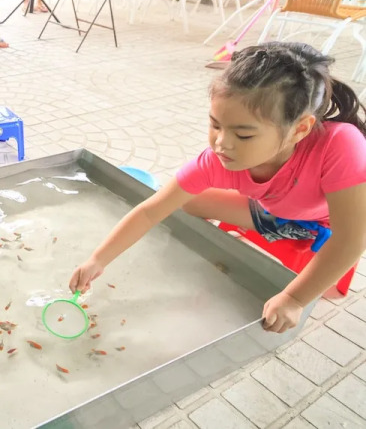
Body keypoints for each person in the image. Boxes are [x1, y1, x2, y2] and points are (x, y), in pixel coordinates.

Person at [69, 42, 366, 334]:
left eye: (244, 135)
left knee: (332, 248)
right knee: (188, 200)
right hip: (272, 207)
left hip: (319, 222)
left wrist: (294, 298)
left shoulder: (340, 144)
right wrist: (97, 260)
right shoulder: (214, 160)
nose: (222, 144)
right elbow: (151, 210)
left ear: (299, 129)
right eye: (215, 125)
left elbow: (352, 238)